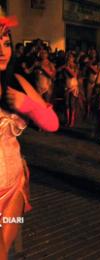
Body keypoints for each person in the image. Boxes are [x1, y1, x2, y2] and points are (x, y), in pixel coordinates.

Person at [0, 16, 59, 259]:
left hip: (13, 186)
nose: (2, 50)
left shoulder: (18, 81)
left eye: (5, 42)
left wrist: (29, 106)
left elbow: (52, 124)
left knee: (6, 247)